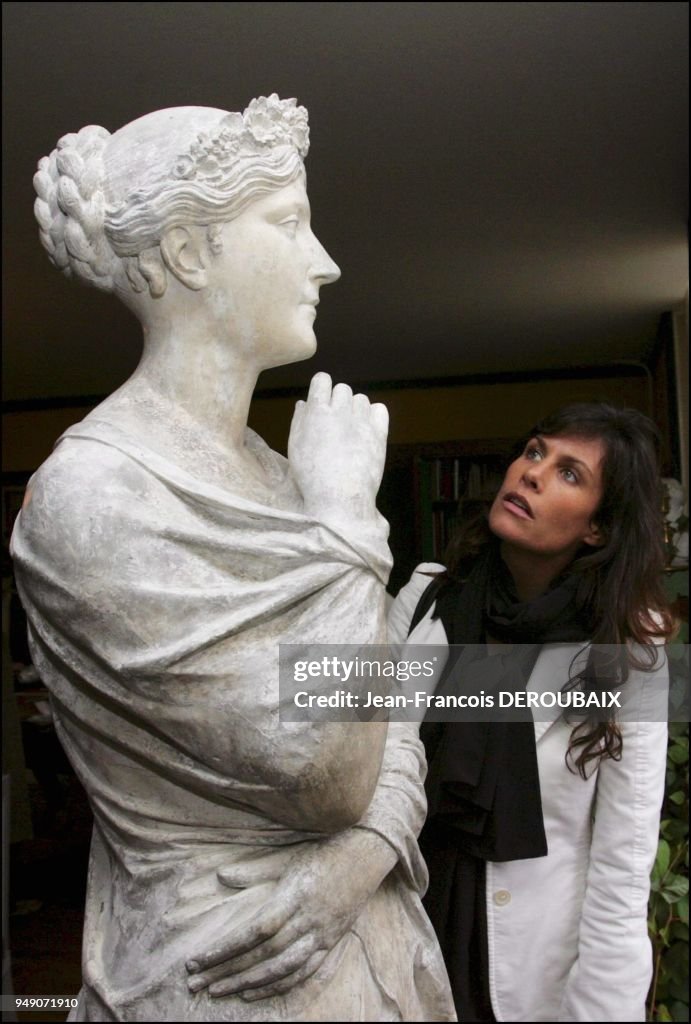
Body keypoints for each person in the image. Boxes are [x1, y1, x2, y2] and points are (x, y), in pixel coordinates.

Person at [12, 98, 455, 1022]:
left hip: (365, 958)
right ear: (186, 252)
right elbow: (329, 771)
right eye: (289, 222)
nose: (324, 259)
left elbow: (400, 707)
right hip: (227, 977)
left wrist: (359, 860)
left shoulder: (277, 472)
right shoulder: (93, 496)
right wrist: (342, 524)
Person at [388, 403, 673, 1022]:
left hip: (535, 971)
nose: (533, 473)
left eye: (571, 474)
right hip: (404, 933)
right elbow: (355, 755)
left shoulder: (628, 652)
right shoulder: (429, 597)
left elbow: (622, 868)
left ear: (598, 528)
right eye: (536, 452)